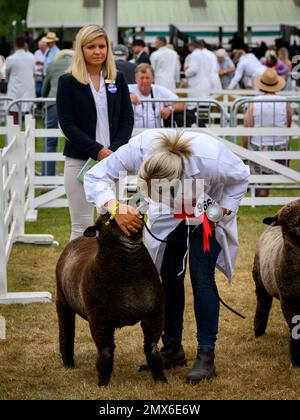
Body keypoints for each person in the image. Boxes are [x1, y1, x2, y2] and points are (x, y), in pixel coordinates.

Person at [84, 129, 249, 383]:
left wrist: (222, 211)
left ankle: (206, 355)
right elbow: (94, 176)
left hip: (207, 208)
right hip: (167, 212)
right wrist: (115, 207)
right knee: (169, 274)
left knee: (201, 276)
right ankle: (172, 347)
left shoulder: (211, 158)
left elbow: (241, 177)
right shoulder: (139, 148)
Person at [56, 24, 134, 240]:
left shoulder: (116, 79)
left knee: (113, 224)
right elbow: (67, 124)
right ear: (80, 49)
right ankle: (75, 275)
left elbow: (127, 119)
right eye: (91, 46)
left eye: (102, 46)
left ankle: (111, 274)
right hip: (80, 162)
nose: (97, 51)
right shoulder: (67, 81)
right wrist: (98, 151)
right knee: (81, 227)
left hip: (114, 161)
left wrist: (112, 151)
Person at [244, 68, 292, 197]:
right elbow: (288, 125)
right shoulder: (285, 101)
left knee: (261, 176)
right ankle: (263, 192)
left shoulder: (254, 102)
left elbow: (247, 127)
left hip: (258, 145)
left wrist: (244, 149)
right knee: (267, 177)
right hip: (280, 145)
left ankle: (260, 191)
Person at [41, 49, 74, 177]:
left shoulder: (51, 65)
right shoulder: (78, 63)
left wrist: (42, 101)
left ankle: (47, 176)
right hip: (72, 103)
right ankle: (69, 175)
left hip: (52, 102)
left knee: (50, 140)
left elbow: (45, 87)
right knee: (72, 140)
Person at [5, 36, 35, 124]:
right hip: (28, 92)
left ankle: (14, 136)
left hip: (15, 91)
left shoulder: (10, 59)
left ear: (14, 45)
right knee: (30, 117)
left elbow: (5, 73)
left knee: (14, 117)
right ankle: (32, 137)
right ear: (25, 44)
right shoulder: (32, 57)